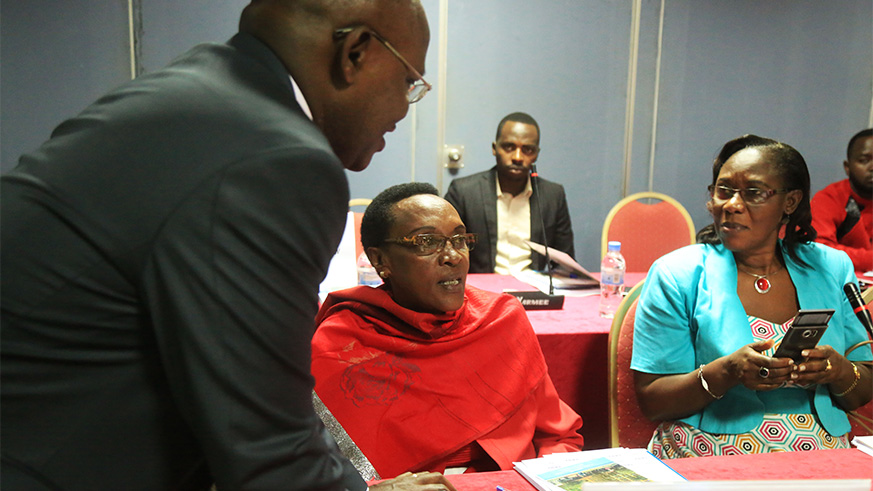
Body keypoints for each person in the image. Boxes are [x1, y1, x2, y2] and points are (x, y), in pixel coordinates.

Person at [0, 1, 457, 490]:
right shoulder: (278, 158)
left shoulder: (198, 92)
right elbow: (267, 452)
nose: (402, 110)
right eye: (409, 82)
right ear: (356, 53)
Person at [311, 183, 585, 476]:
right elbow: (320, 468)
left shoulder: (501, 319)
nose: (453, 256)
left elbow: (558, 436)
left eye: (460, 239)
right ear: (380, 261)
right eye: (427, 242)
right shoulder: (342, 341)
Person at [631, 135, 872, 459]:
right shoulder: (678, 273)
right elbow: (653, 401)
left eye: (754, 193)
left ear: (790, 202)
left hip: (820, 456)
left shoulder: (830, 267)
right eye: (723, 191)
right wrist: (726, 373)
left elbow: (861, 391)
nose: (731, 205)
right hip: (709, 452)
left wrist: (837, 370)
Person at [444, 112, 574, 274]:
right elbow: (445, 254)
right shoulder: (464, 192)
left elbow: (566, 263)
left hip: (533, 291)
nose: (517, 157)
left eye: (527, 149)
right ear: (494, 148)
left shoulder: (552, 195)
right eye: (509, 147)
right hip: (481, 291)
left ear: (536, 154)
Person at [811, 128, 873, 272]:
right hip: (843, 285)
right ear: (847, 167)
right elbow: (820, 251)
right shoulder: (829, 198)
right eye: (864, 160)